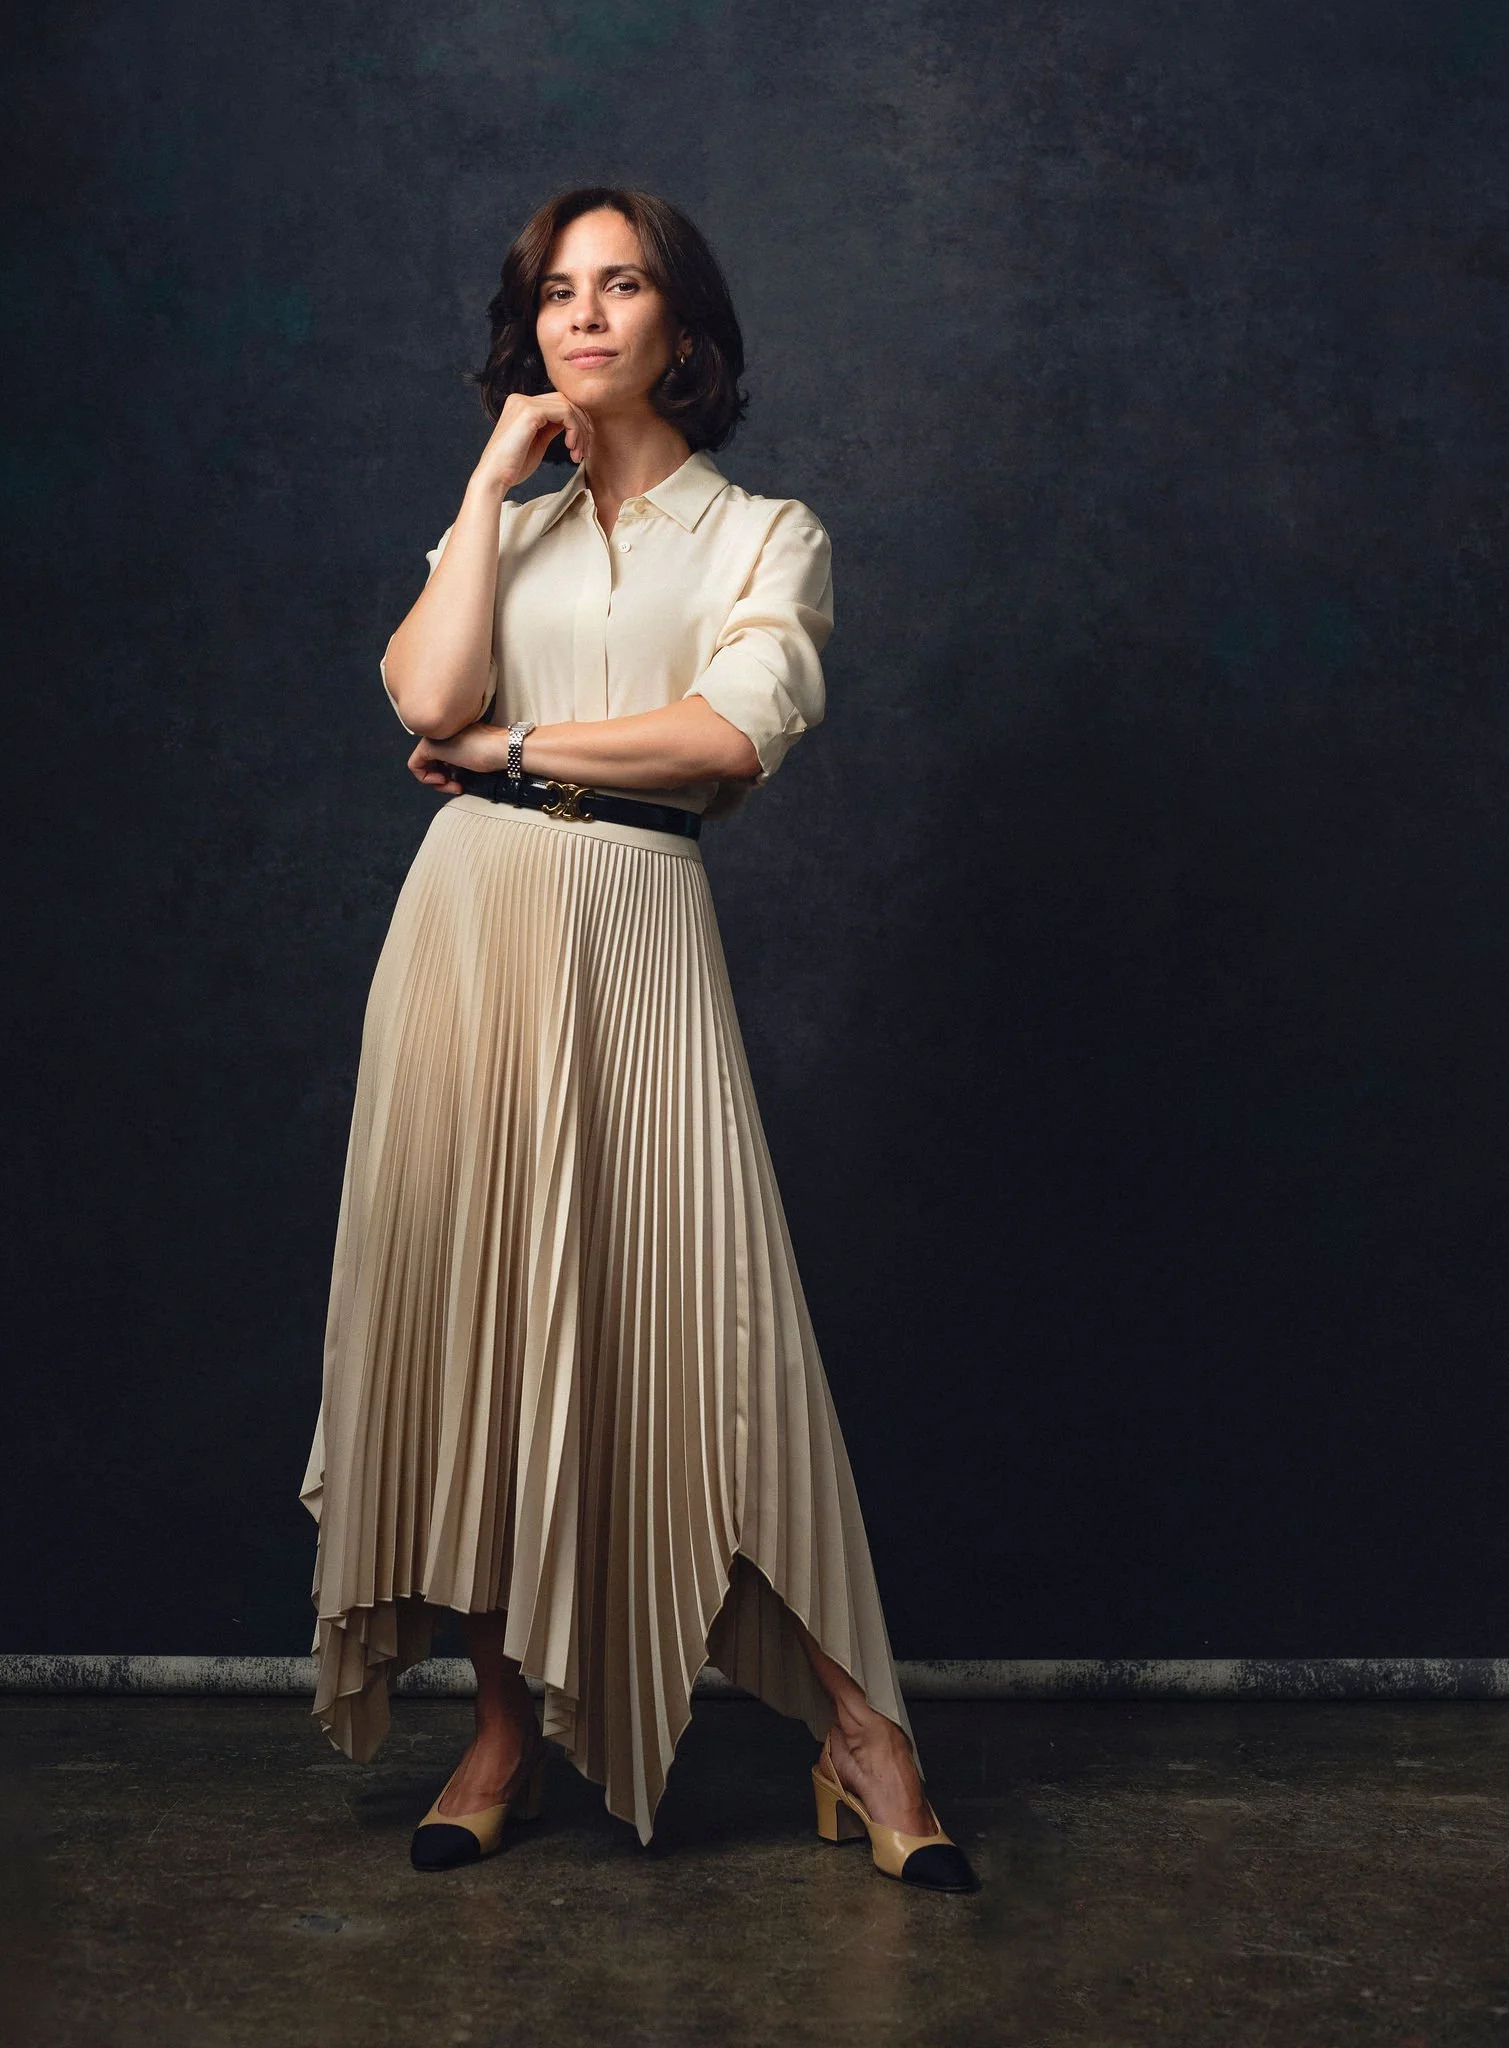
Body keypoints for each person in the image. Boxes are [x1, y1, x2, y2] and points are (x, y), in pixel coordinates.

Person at [300, 187, 972, 1891]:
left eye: (624, 288)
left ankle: (864, 1731)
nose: (583, 318)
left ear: (687, 327)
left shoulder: (767, 534)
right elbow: (419, 702)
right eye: (554, 295)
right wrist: (480, 491)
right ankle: (506, 1733)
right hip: (464, 944)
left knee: (712, 1322)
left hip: (638, 940)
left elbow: (729, 737)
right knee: (473, 1325)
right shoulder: (501, 531)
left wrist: (521, 753)